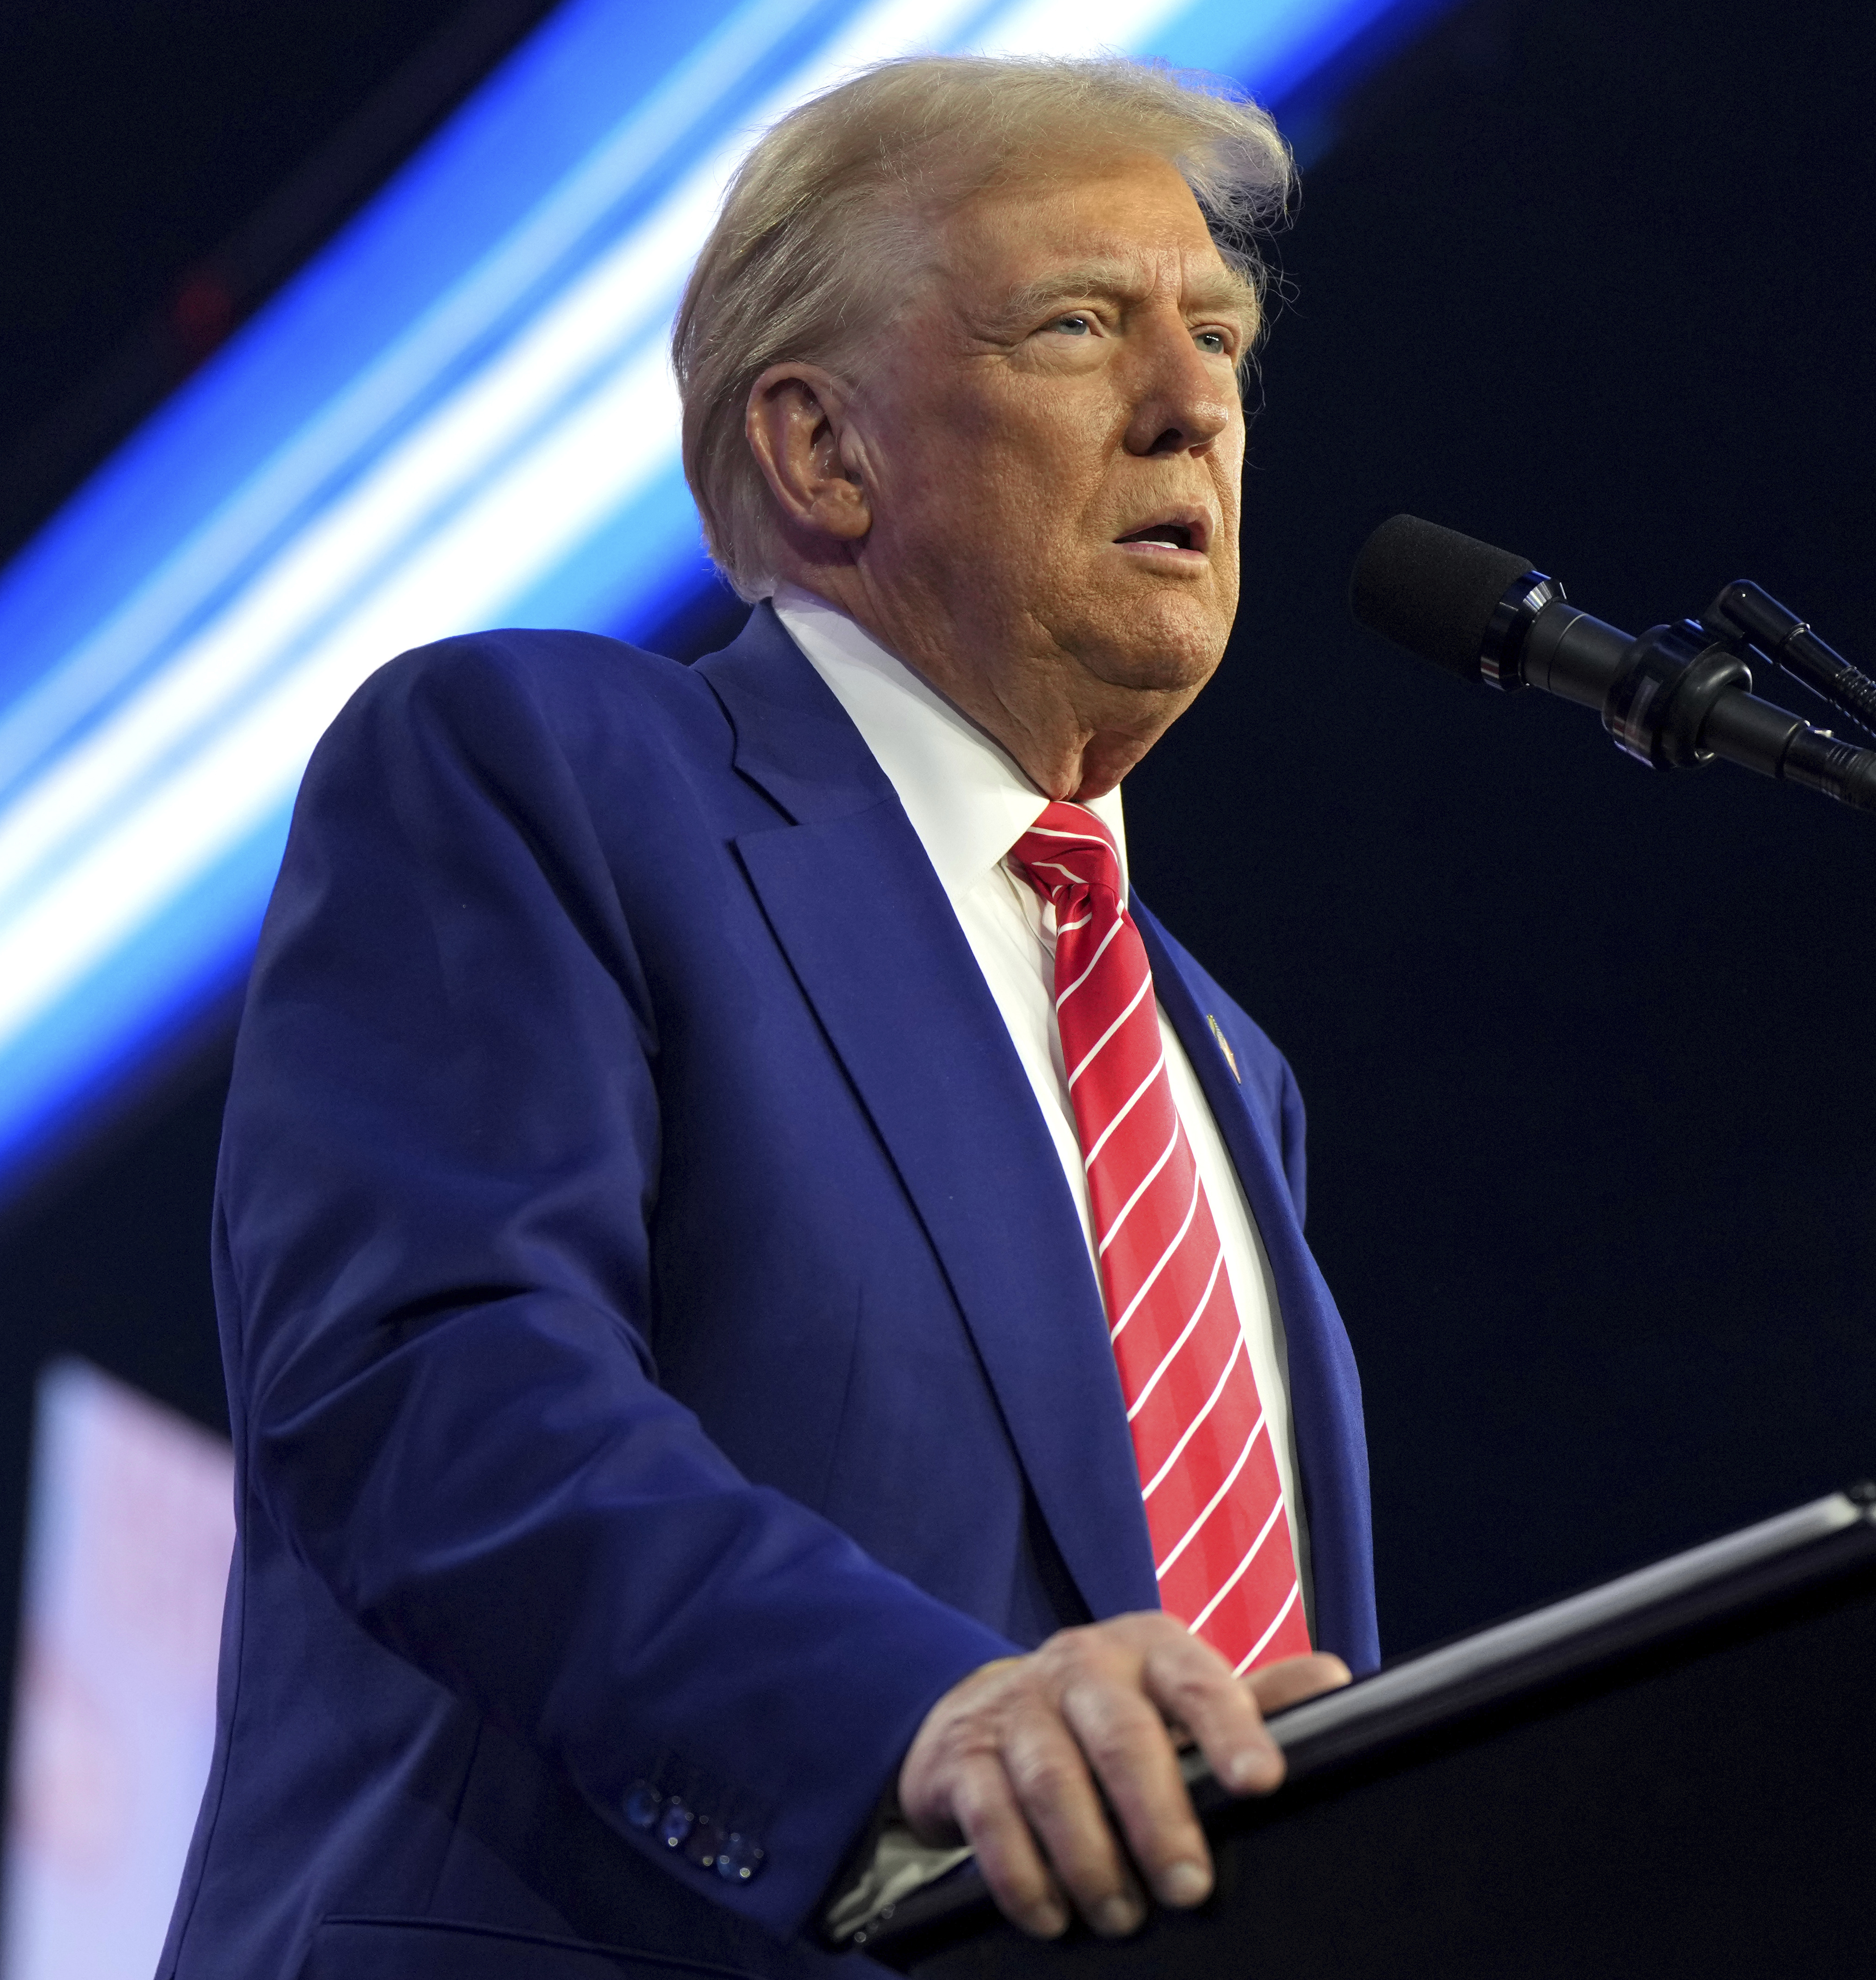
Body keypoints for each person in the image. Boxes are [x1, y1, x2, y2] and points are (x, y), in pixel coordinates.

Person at [157, 55, 1376, 1980]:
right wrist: (912, 1711)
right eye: (1079, 324)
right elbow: (430, 1385)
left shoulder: (1221, 1060)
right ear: (821, 451)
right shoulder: (543, 765)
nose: (1191, 401)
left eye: (1216, 333)